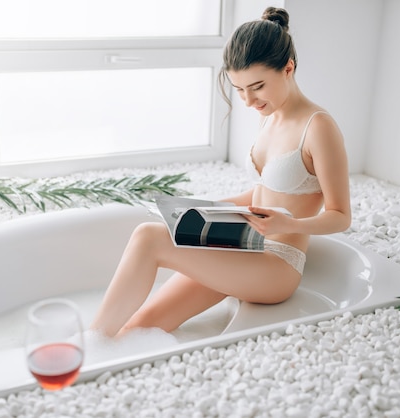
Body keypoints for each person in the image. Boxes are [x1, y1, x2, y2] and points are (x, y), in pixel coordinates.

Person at [90, 7, 351, 338]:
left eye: (257, 86)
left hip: (277, 265)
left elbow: (341, 215)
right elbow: (263, 193)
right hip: (242, 247)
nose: (247, 100)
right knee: (137, 328)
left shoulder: (319, 127)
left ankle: (83, 347)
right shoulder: (268, 116)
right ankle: (96, 355)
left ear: (288, 68)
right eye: (239, 89)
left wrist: (290, 224)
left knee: (147, 237)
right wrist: (205, 208)